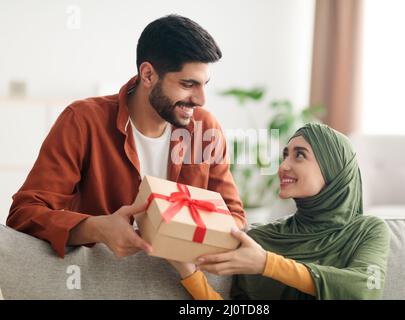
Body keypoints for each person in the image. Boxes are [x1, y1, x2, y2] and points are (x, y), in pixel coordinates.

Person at [7, 14, 246, 259]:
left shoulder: (205, 129)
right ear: (148, 75)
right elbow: (24, 214)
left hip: (180, 281)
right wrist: (97, 228)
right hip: (101, 281)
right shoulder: (82, 121)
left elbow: (233, 218)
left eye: (204, 84)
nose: (201, 99)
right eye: (188, 84)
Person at [168, 123, 391, 299]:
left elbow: (365, 290)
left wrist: (267, 264)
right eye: (285, 155)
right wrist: (189, 273)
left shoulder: (367, 230)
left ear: (333, 168)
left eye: (300, 155)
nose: (283, 166)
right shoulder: (259, 240)